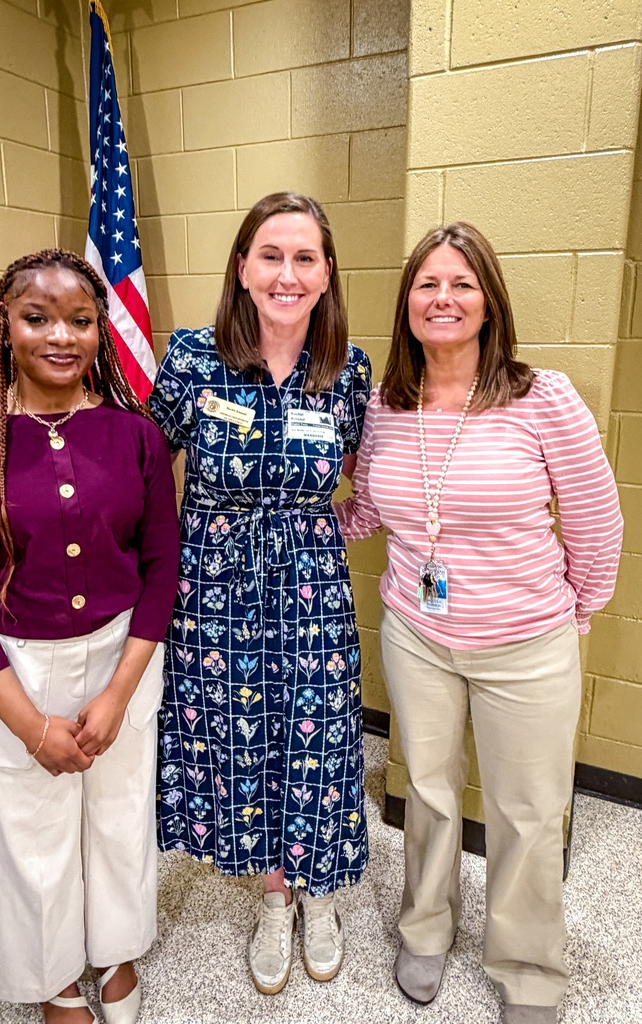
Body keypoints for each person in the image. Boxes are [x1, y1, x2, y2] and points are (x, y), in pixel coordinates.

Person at [336, 223, 623, 1024]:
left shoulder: (544, 397)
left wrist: (579, 611)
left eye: (462, 283)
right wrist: (290, 526)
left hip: (527, 642)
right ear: (407, 305)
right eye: (428, 284)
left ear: (490, 303)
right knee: (424, 791)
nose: (444, 298)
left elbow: (597, 521)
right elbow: (367, 511)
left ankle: (529, 969)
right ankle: (425, 929)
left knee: (527, 811)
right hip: (417, 635)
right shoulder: (386, 406)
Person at [0, 249, 180, 1024]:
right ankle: (53, 976)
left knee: (121, 811)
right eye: (38, 318)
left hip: (124, 656)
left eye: (80, 320)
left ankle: (118, 945)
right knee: (33, 831)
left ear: (102, 330)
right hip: (18, 671)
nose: (61, 336)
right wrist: (32, 727)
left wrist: (118, 689)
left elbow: (162, 570)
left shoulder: (135, 439)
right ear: (5, 325)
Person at [149, 192, 372, 994]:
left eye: (304, 257)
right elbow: (143, 470)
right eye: (270, 255)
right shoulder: (191, 360)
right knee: (241, 743)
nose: (287, 273)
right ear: (242, 269)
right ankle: (275, 895)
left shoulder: (348, 370)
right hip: (211, 587)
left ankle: (320, 898)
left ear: (327, 272)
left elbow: (361, 477)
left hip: (313, 588)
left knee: (319, 742)